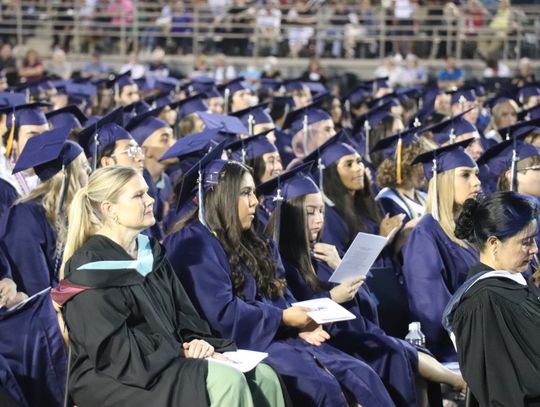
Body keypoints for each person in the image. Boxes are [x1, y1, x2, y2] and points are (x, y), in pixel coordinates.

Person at [164, 146, 396, 407]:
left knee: (361, 373)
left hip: (277, 335)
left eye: (253, 192)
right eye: (245, 193)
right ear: (220, 196)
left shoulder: (253, 238)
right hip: (238, 343)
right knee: (321, 386)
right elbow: (221, 315)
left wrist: (298, 324)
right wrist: (284, 319)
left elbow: (279, 293)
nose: (254, 202)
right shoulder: (191, 243)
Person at [55, 165, 288, 407]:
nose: (150, 200)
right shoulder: (89, 268)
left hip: (165, 357)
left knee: (264, 376)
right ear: (109, 209)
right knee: (226, 380)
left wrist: (197, 341)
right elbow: (114, 351)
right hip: (116, 376)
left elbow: (184, 315)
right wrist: (179, 350)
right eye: (138, 195)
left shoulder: (150, 253)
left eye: (147, 192)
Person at [260, 165, 466, 407]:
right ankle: (456, 383)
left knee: (391, 348)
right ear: (292, 215)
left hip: (346, 335)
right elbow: (286, 311)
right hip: (320, 342)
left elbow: (368, 308)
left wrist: (341, 266)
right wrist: (333, 296)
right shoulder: (277, 261)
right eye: (310, 212)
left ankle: (453, 386)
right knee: (387, 352)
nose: (318, 220)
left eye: (322, 212)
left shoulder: (321, 255)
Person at [444, 192, 540, 406]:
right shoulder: (482, 302)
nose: (534, 249)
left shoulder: (512, 286)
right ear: (494, 243)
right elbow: (503, 390)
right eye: (526, 242)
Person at [402, 140, 481, 362]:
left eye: (476, 174)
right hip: (457, 346)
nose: (477, 182)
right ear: (443, 181)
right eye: (466, 175)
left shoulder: (471, 227)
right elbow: (431, 309)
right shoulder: (425, 234)